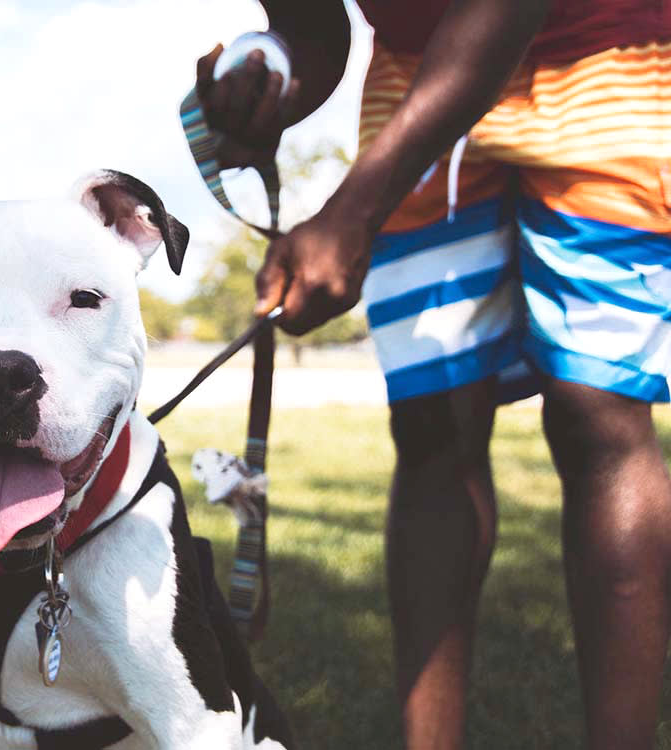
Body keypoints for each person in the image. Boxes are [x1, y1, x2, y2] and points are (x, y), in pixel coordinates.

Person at [191, 1, 671, 747]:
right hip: (414, 80)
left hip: (605, 58)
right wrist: (273, 84)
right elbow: (315, 27)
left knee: (598, 409)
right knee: (430, 420)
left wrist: (354, 211)